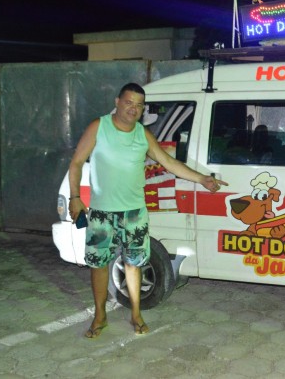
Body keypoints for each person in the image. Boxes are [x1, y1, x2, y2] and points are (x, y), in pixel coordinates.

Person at [68, 82, 227, 339]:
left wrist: (202, 179)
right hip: (101, 213)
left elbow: (169, 162)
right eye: (129, 102)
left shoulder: (143, 134)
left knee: (134, 264)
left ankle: (136, 314)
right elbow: (76, 162)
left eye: (139, 105)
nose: (133, 108)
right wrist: (75, 197)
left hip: (134, 214)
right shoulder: (99, 126)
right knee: (99, 265)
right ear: (117, 102)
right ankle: (100, 315)